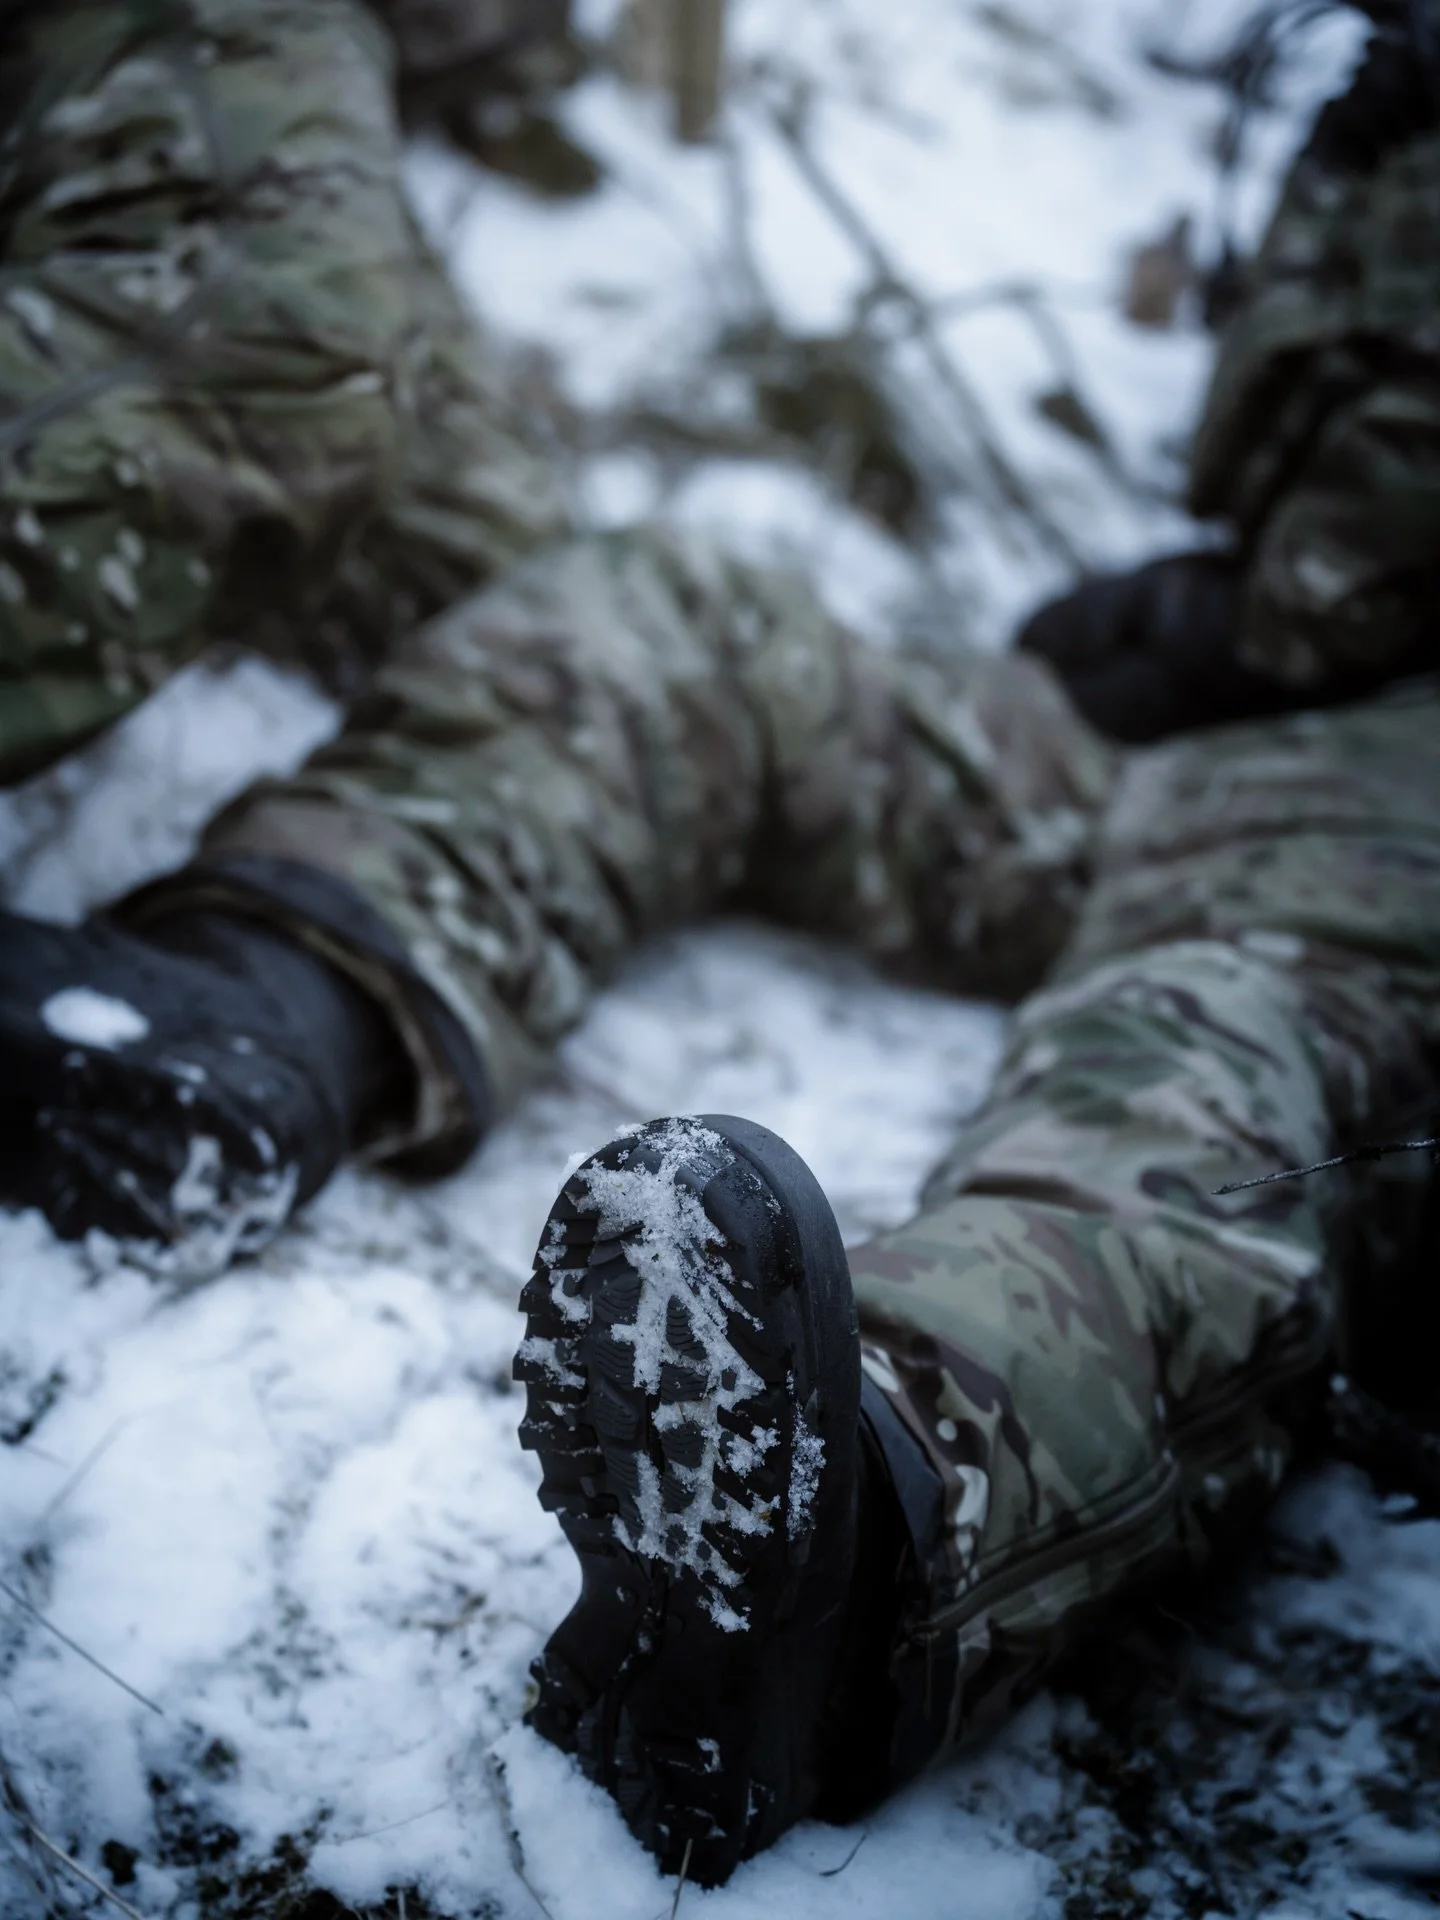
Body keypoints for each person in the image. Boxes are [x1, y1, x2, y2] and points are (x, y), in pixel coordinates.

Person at [0, 0, 1435, 1890]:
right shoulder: (1376, 100)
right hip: (1184, 740)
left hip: (1385, 781)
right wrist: (1237, 603)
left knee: (1213, 1031)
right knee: (696, 624)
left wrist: (1304, 600)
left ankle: (866, 1541)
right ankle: (255, 1018)